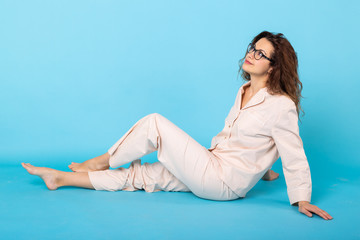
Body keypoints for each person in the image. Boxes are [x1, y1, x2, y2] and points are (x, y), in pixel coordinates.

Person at [22, 31, 333, 220]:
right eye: (252, 47)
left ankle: (103, 160)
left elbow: (293, 152)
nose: (251, 54)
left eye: (260, 53)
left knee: (154, 124)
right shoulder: (244, 91)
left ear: (274, 65)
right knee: (142, 176)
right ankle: (60, 179)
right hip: (213, 163)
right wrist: (263, 170)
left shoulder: (281, 105)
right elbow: (247, 141)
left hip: (221, 182)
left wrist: (301, 197)